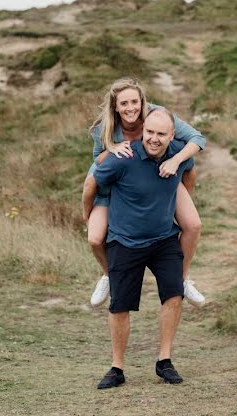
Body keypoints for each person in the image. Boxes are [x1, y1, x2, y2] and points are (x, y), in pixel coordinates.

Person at [83, 108, 193, 388]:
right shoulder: (123, 157)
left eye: (161, 134)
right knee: (119, 305)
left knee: (174, 295)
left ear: (172, 136)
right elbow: (92, 183)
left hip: (164, 239)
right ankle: (116, 368)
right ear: (143, 131)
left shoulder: (179, 154)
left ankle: (164, 361)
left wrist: (182, 200)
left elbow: (189, 172)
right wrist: (89, 215)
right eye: (150, 132)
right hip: (125, 241)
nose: (154, 139)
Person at [81, 78, 206, 308]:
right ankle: (108, 275)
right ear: (115, 107)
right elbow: (97, 160)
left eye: (134, 102)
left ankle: (183, 279)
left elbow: (198, 139)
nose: (130, 108)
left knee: (193, 225)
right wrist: (112, 148)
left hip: (157, 177)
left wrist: (177, 160)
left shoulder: (157, 116)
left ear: (142, 101)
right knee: (95, 238)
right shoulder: (104, 126)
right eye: (124, 103)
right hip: (114, 179)